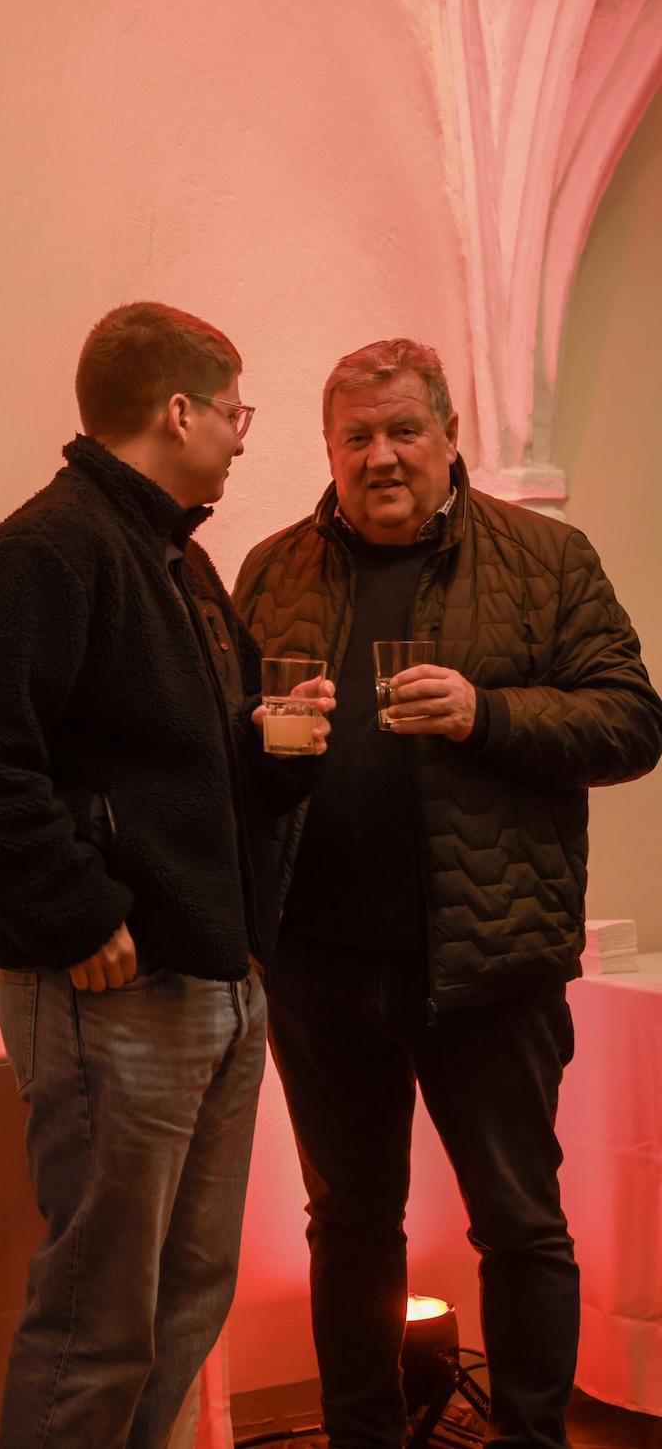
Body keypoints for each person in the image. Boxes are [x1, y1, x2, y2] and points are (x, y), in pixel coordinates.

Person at [233, 337, 662, 1449]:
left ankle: (530, 1438)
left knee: (519, 1223)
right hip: (320, 970)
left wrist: (488, 712)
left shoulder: (545, 557)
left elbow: (631, 721)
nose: (380, 455)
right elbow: (225, 747)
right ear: (328, 448)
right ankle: (361, 1436)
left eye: (402, 430)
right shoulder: (272, 569)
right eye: (356, 436)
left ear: (449, 435)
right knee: (349, 1224)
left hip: (490, 963)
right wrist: (257, 741)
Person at [0, 301, 333, 1449]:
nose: (240, 433)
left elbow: (180, 766)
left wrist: (271, 747)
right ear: (177, 410)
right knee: (98, 1321)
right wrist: (76, 911)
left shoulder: (182, 558)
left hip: (214, 979)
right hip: (115, 990)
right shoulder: (43, 552)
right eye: (233, 411)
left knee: (185, 1299)